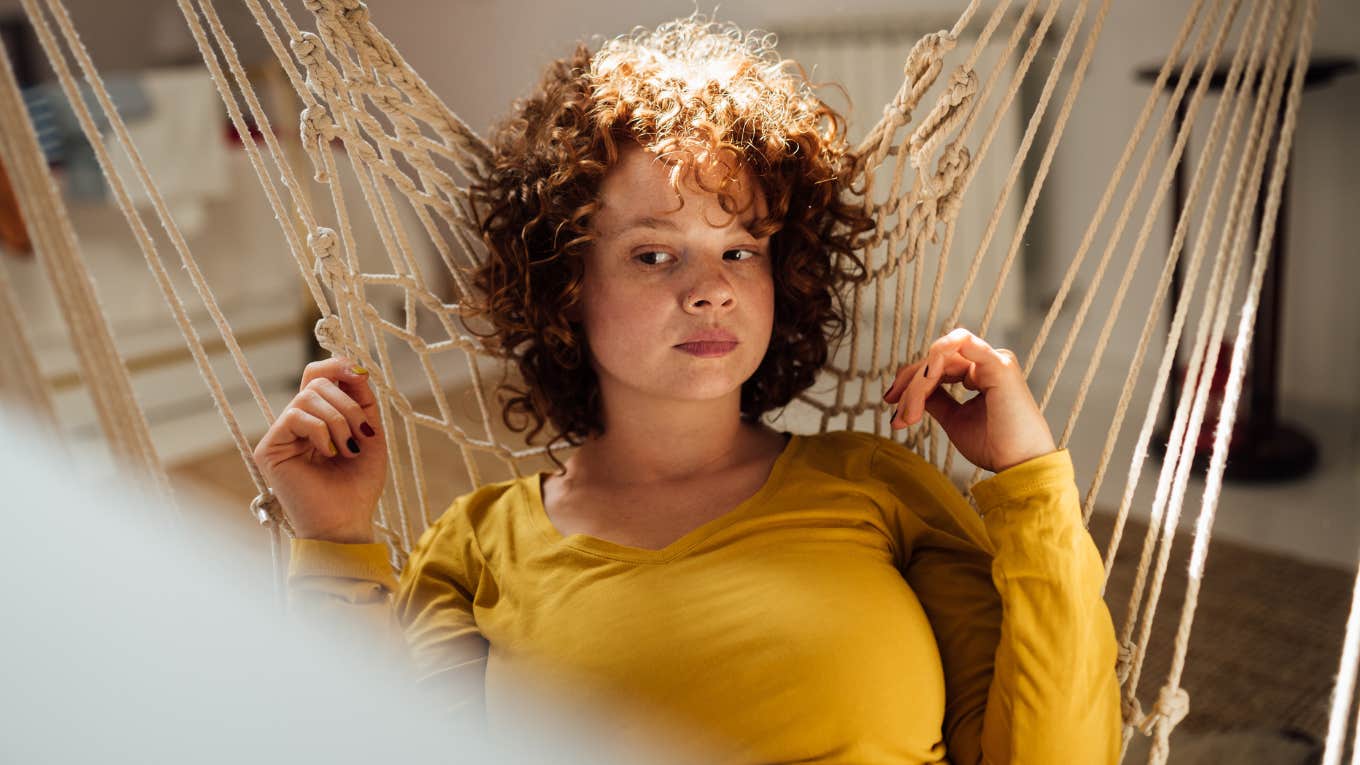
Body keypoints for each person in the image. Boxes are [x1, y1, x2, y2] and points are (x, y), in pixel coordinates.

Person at [256, 15, 1121, 764]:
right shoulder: (481, 543)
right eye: (654, 253)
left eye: (741, 249)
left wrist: (1030, 477)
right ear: (564, 288)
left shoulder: (880, 489)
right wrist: (332, 539)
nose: (712, 288)